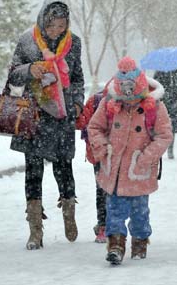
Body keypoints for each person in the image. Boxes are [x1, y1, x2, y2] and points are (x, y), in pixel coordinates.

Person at [6, 0, 84, 250]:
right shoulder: (28, 41)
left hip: (61, 114)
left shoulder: (74, 44)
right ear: (43, 21)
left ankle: (69, 213)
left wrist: (77, 103)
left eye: (61, 26)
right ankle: (35, 229)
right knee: (34, 171)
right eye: (52, 26)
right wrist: (31, 69)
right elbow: (13, 75)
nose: (56, 31)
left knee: (64, 168)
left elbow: (78, 77)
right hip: (33, 116)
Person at [88, 57, 172, 265]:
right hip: (114, 171)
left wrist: (146, 157)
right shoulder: (110, 105)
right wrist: (103, 147)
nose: (129, 101)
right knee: (114, 211)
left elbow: (164, 136)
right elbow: (94, 127)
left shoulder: (155, 107)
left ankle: (140, 242)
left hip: (139, 171)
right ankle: (115, 245)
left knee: (140, 213)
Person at [76, 86, 109, 243]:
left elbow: (81, 122)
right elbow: (82, 122)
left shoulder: (95, 100)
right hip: (102, 154)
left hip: (100, 153)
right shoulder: (97, 100)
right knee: (107, 191)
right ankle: (105, 225)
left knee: (103, 191)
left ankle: (105, 225)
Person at [153, 69, 177, 159]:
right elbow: (154, 88)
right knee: (160, 128)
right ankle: (161, 149)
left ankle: (170, 149)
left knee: (171, 128)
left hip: (173, 104)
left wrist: (174, 89)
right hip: (162, 104)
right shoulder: (159, 74)